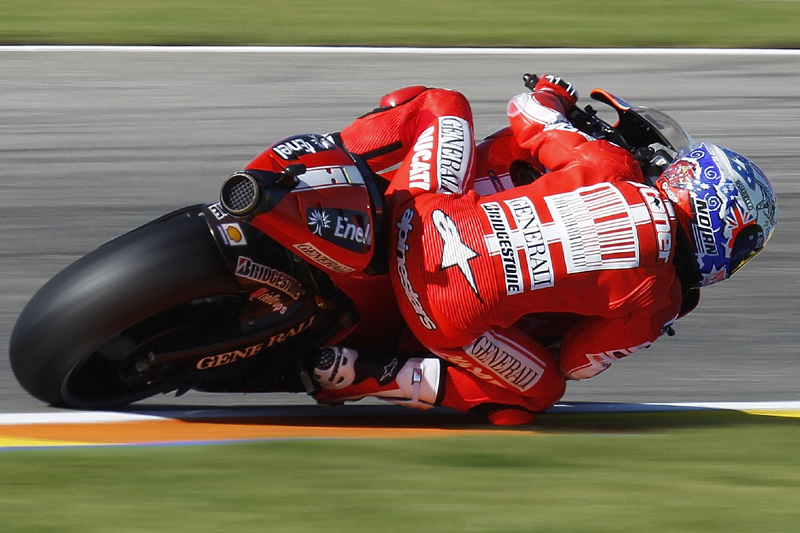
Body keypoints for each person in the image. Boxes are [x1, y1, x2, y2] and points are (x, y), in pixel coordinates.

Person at [309, 75, 779, 425]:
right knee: (542, 391)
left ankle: (316, 161)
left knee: (442, 102)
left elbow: (527, 113)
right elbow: (576, 361)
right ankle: (364, 374)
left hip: (422, 216)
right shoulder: (658, 305)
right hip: (443, 318)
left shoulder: (610, 164)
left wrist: (553, 93)